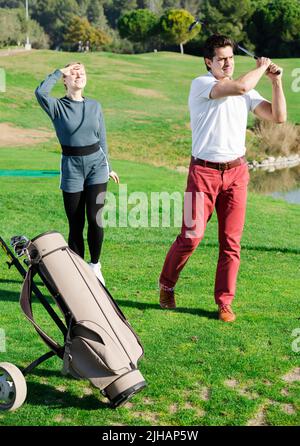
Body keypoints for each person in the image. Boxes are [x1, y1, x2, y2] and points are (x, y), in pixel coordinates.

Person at [159, 34, 287, 322]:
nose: (228, 63)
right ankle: (166, 285)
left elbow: (278, 116)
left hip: (236, 173)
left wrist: (276, 82)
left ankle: (224, 302)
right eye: (221, 59)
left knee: (231, 243)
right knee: (191, 237)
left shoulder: (246, 93)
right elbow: (240, 85)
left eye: (231, 58)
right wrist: (262, 65)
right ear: (209, 62)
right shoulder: (202, 84)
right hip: (202, 173)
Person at [35, 62, 119, 285]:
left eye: (81, 72)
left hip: (97, 166)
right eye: (73, 73)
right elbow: (40, 92)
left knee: (95, 218)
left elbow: (102, 138)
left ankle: (95, 265)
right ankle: (79, 270)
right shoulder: (56, 106)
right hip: (71, 167)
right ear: (65, 80)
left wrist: (108, 167)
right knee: (76, 223)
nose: (78, 75)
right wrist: (58, 71)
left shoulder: (95, 106)